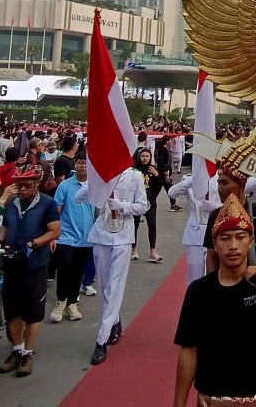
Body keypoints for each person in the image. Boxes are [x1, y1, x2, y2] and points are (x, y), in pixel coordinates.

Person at [172, 194, 256, 406]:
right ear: (215, 243)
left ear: (251, 241)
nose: (233, 246)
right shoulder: (199, 291)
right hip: (214, 399)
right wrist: (179, 403)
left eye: (240, 237)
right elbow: (189, 352)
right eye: (225, 238)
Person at [75, 152, 149, 365]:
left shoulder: (134, 176)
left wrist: (123, 206)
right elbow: (78, 198)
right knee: (105, 286)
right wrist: (98, 184)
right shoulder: (101, 176)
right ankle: (114, 321)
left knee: (115, 287)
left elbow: (143, 206)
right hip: (101, 235)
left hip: (123, 236)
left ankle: (101, 339)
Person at [0, 167, 61, 378]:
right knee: (12, 310)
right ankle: (16, 349)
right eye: (19, 185)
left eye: (27, 185)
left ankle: (28, 352)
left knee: (33, 311)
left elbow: (54, 230)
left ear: (36, 184)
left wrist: (35, 243)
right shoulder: (11, 203)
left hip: (35, 264)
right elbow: (5, 227)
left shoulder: (47, 203)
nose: (22, 189)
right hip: (11, 263)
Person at [50, 154, 95, 324]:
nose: (84, 166)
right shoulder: (65, 186)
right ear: (75, 164)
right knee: (65, 269)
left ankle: (72, 303)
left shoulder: (96, 186)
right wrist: (53, 235)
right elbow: (57, 211)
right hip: (66, 236)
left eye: (87, 163)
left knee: (78, 271)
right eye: (81, 162)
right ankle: (60, 301)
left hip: (87, 237)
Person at [132, 147, 165, 263]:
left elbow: (160, 185)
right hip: (136, 202)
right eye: (142, 156)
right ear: (138, 157)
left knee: (152, 226)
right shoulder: (134, 170)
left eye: (147, 156)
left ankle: (152, 251)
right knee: (134, 225)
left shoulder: (153, 169)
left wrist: (157, 175)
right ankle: (134, 249)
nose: (145, 158)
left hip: (150, 201)